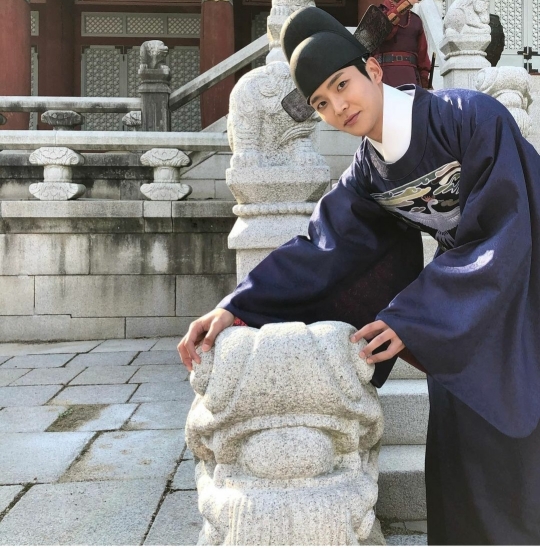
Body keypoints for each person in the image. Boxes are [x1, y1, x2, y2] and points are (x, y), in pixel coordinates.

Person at [179, 6, 540, 545]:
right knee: (462, 441)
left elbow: (507, 225)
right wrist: (236, 307)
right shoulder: (369, 174)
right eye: (321, 103)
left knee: (517, 437)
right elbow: (322, 248)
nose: (338, 107)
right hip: (465, 307)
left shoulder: (469, 116)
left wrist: (415, 314)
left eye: (342, 85)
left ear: (373, 69)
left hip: (522, 281)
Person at [372, 0, 432, 88]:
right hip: (383, 77)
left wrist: (425, 82)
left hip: (411, 78)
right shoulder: (375, 14)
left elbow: (422, 58)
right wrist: (404, 5)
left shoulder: (416, 20)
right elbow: (384, 32)